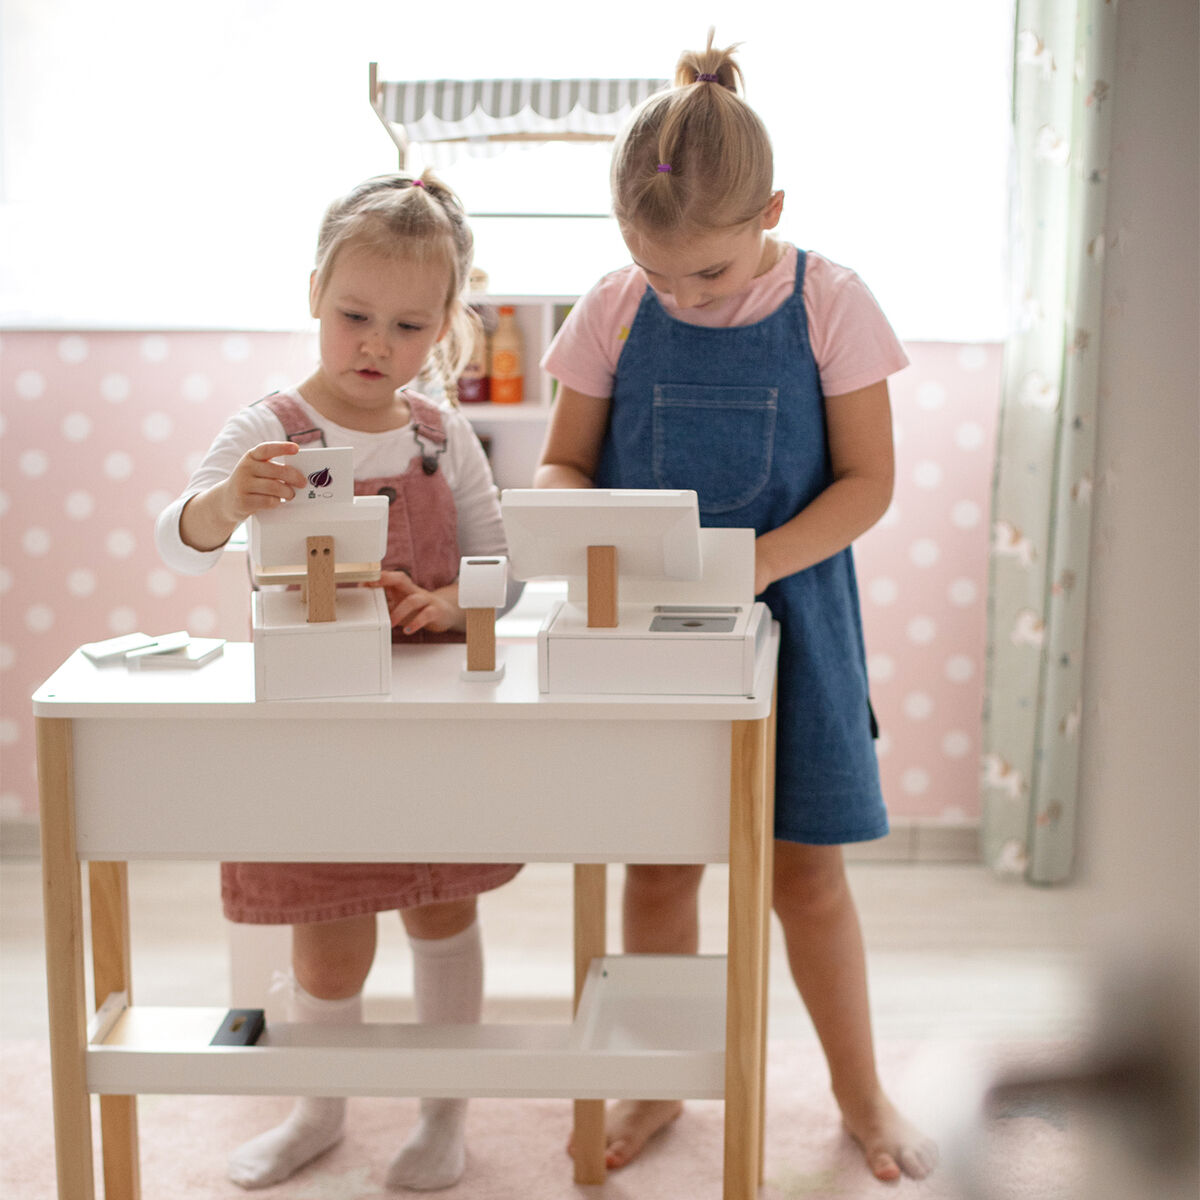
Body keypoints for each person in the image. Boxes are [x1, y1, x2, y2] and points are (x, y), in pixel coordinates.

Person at [535, 31, 938, 1184]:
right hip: (648, 631)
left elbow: (868, 483)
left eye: (704, 275)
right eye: (655, 272)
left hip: (795, 618)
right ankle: (661, 1084)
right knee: (658, 868)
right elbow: (567, 464)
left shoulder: (832, 301)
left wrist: (756, 563)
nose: (678, 293)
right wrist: (601, 532)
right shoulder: (613, 307)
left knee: (805, 874)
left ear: (772, 210)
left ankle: (861, 1097)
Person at [156, 172, 521, 1191]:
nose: (376, 344)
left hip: (435, 728)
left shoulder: (446, 441)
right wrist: (226, 500)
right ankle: (320, 1109)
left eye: (408, 326)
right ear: (314, 293)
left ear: (446, 326)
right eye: (355, 316)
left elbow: (504, 567)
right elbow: (180, 541)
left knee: (443, 913)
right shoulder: (267, 433)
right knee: (327, 943)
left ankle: (442, 1120)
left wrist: (454, 606)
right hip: (311, 728)